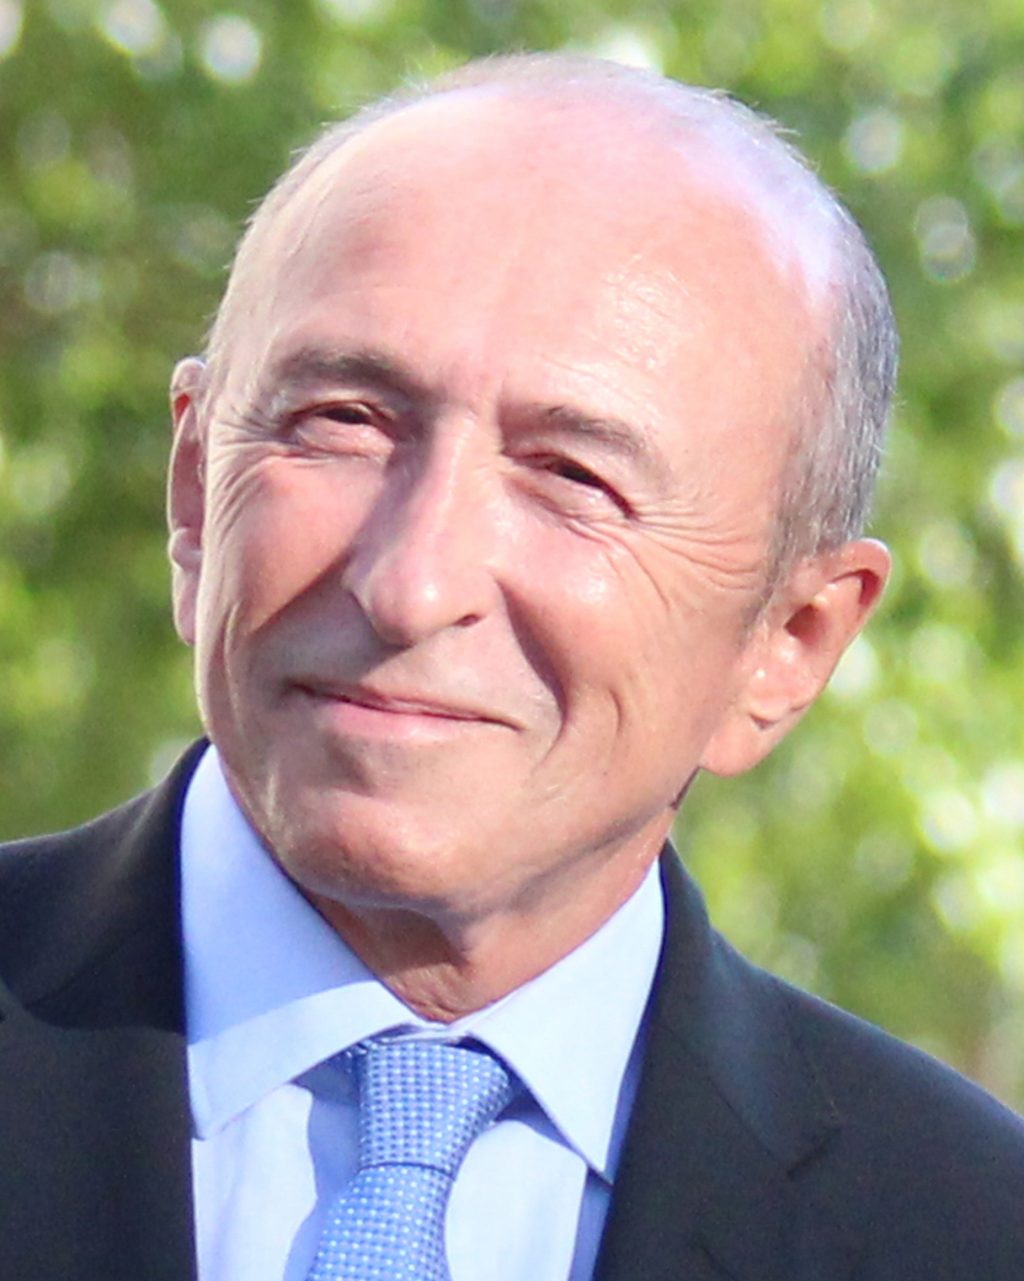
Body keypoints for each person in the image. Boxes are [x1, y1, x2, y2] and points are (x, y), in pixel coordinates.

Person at [1, 52, 1022, 1281]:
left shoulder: (967, 1231)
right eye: (343, 420)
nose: (410, 583)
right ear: (193, 492)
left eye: (572, 478)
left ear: (789, 641)